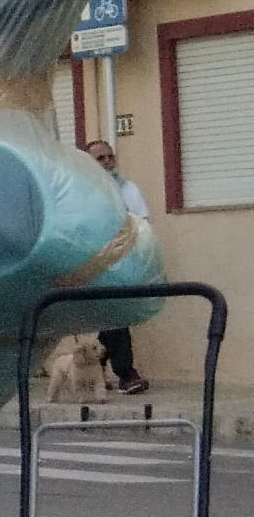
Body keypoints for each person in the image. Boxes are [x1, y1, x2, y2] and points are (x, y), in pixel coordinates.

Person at [88, 141, 151, 393]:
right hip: (95, 264)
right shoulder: (84, 191)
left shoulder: (128, 189)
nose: (107, 162)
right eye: (99, 158)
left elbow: (143, 225)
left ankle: (95, 367)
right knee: (115, 315)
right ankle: (126, 374)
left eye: (109, 156)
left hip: (124, 262)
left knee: (114, 317)